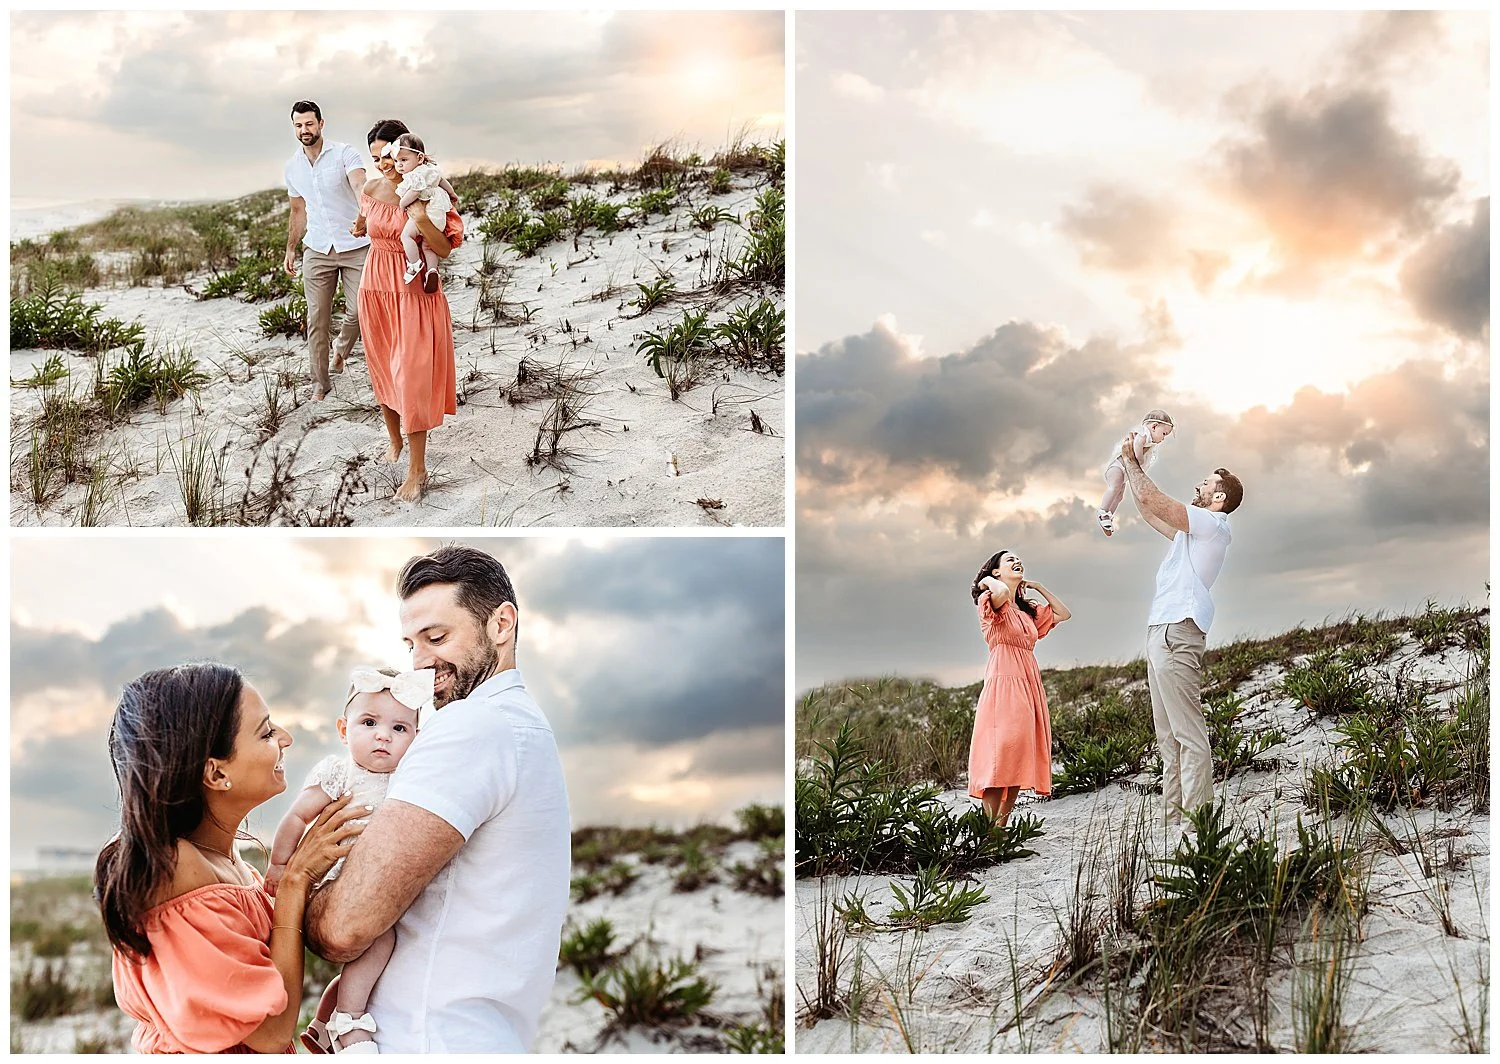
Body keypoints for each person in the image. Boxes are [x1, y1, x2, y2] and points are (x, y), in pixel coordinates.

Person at [304, 545, 571, 1052]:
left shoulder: (472, 724)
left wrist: (299, 890)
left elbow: (344, 926)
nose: (420, 665)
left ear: (501, 624)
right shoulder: (525, 727)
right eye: (410, 645)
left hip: (424, 1040)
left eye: (437, 637)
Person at [95, 663, 366, 1054]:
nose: (285, 739)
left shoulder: (233, 864)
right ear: (216, 772)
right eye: (267, 732)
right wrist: (296, 880)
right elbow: (270, 1033)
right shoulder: (176, 868)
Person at [268, 667, 432, 1054]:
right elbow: (297, 816)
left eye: (399, 729)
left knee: (390, 949)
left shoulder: (407, 777)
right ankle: (350, 1021)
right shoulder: (340, 773)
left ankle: (324, 1022)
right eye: (369, 722)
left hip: (378, 882)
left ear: (416, 739)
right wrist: (280, 864)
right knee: (381, 940)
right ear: (344, 730)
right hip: (336, 884)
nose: (383, 736)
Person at [1118, 434, 1244, 825]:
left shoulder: (1213, 525)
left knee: (1188, 733)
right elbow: (1149, 511)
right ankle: (1173, 820)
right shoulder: (1191, 533)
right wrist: (1126, 465)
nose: (1198, 486)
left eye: (1206, 484)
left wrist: (1134, 462)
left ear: (1218, 498)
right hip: (1161, 631)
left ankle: (1198, 822)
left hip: (1179, 631)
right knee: (1167, 736)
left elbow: (1158, 501)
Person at [357, 119, 464, 502]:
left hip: (413, 288)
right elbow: (366, 224)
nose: (384, 165)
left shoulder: (427, 188)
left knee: (412, 376)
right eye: (376, 158)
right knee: (384, 366)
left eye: (389, 156)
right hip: (375, 286)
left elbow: (447, 247)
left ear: (404, 152)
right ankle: (395, 442)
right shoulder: (370, 188)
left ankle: (417, 469)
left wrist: (418, 217)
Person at [968, 550, 1072, 826]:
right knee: (1001, 751)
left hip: (1027, 682)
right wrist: (986, 583)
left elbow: (1064, 613)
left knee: (1019, 751)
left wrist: (1037, 587)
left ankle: (1001, 828)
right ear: (996, 571)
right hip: (1004, 680)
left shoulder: (1026, 612)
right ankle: (989, 831)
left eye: (1018, 558)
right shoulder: (992, 600)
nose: (1017, 561)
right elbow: (1000, 590)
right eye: (1009, 560)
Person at [283, 101, 369, 401]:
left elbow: (360, 186)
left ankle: (342, 350)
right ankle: (320, 383)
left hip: (355, 244)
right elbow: (297, 210)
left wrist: (363, 216)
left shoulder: (345, 153)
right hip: (317, 248)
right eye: (298, 125)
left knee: (360, 310)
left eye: (309, 124)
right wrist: (291, 248)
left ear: (321, 123)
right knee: (317, 318)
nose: (304, 130)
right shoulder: (292, 166)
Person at [388, 134, 458, 291]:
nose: (399, 165)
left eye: (404, 160)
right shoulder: (431, 170)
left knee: (406, 236)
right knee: (428, 246)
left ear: (419, 158)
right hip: (439, 217)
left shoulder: (415, 175)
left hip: (427, 213)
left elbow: (415, 192)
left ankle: (414, 263)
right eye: (396, 161)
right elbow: (442, 181)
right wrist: (452, 193)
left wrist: (402, 203)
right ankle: (432, 271)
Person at [1098, 409, 1174, 536]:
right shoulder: (1144, 434)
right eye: (1164, 433)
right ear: (1154, 426)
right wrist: (1140, 459)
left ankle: (1109, 515)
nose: (1163, 438)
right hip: (1118, 467)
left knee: (1119, 495)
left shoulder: (1151, 442)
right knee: (1114, 488)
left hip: (1125, 472)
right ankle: (1103, 511)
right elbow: (1137, 444)